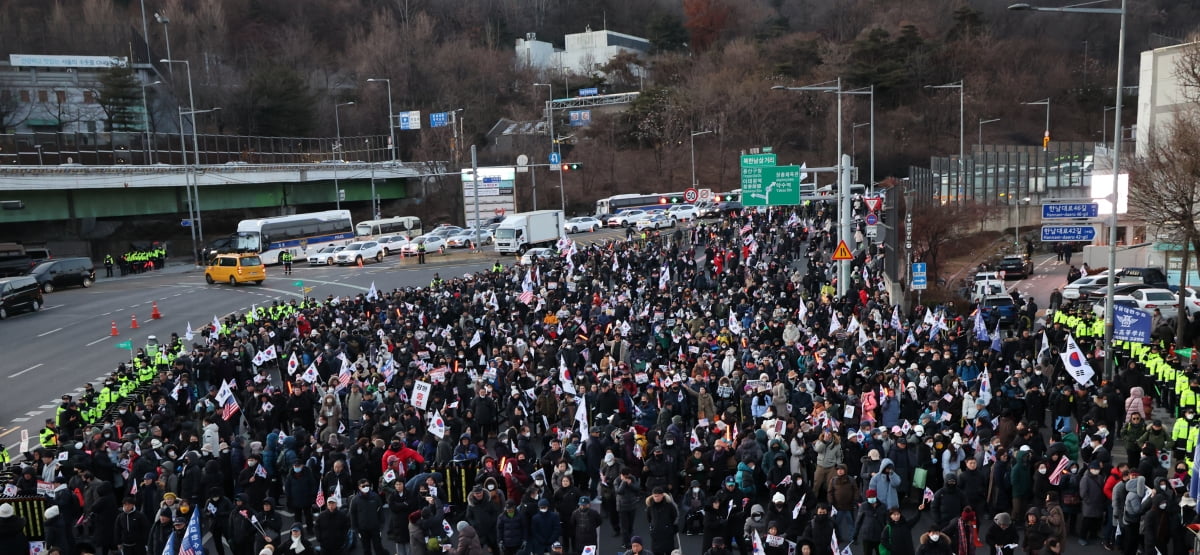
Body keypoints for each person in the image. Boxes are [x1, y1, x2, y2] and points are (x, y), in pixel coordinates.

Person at [349, 479, 386, 555]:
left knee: (378, 548)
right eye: (363, 486)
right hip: (363, 530)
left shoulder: (375, 497)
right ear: (359, 487)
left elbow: (381, 511)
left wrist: (381, 525)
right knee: (366, 549)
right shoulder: (355, 500)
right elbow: (353, 514)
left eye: (367, 485)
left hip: (375, 528)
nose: (366, 487)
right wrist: (355, 528)